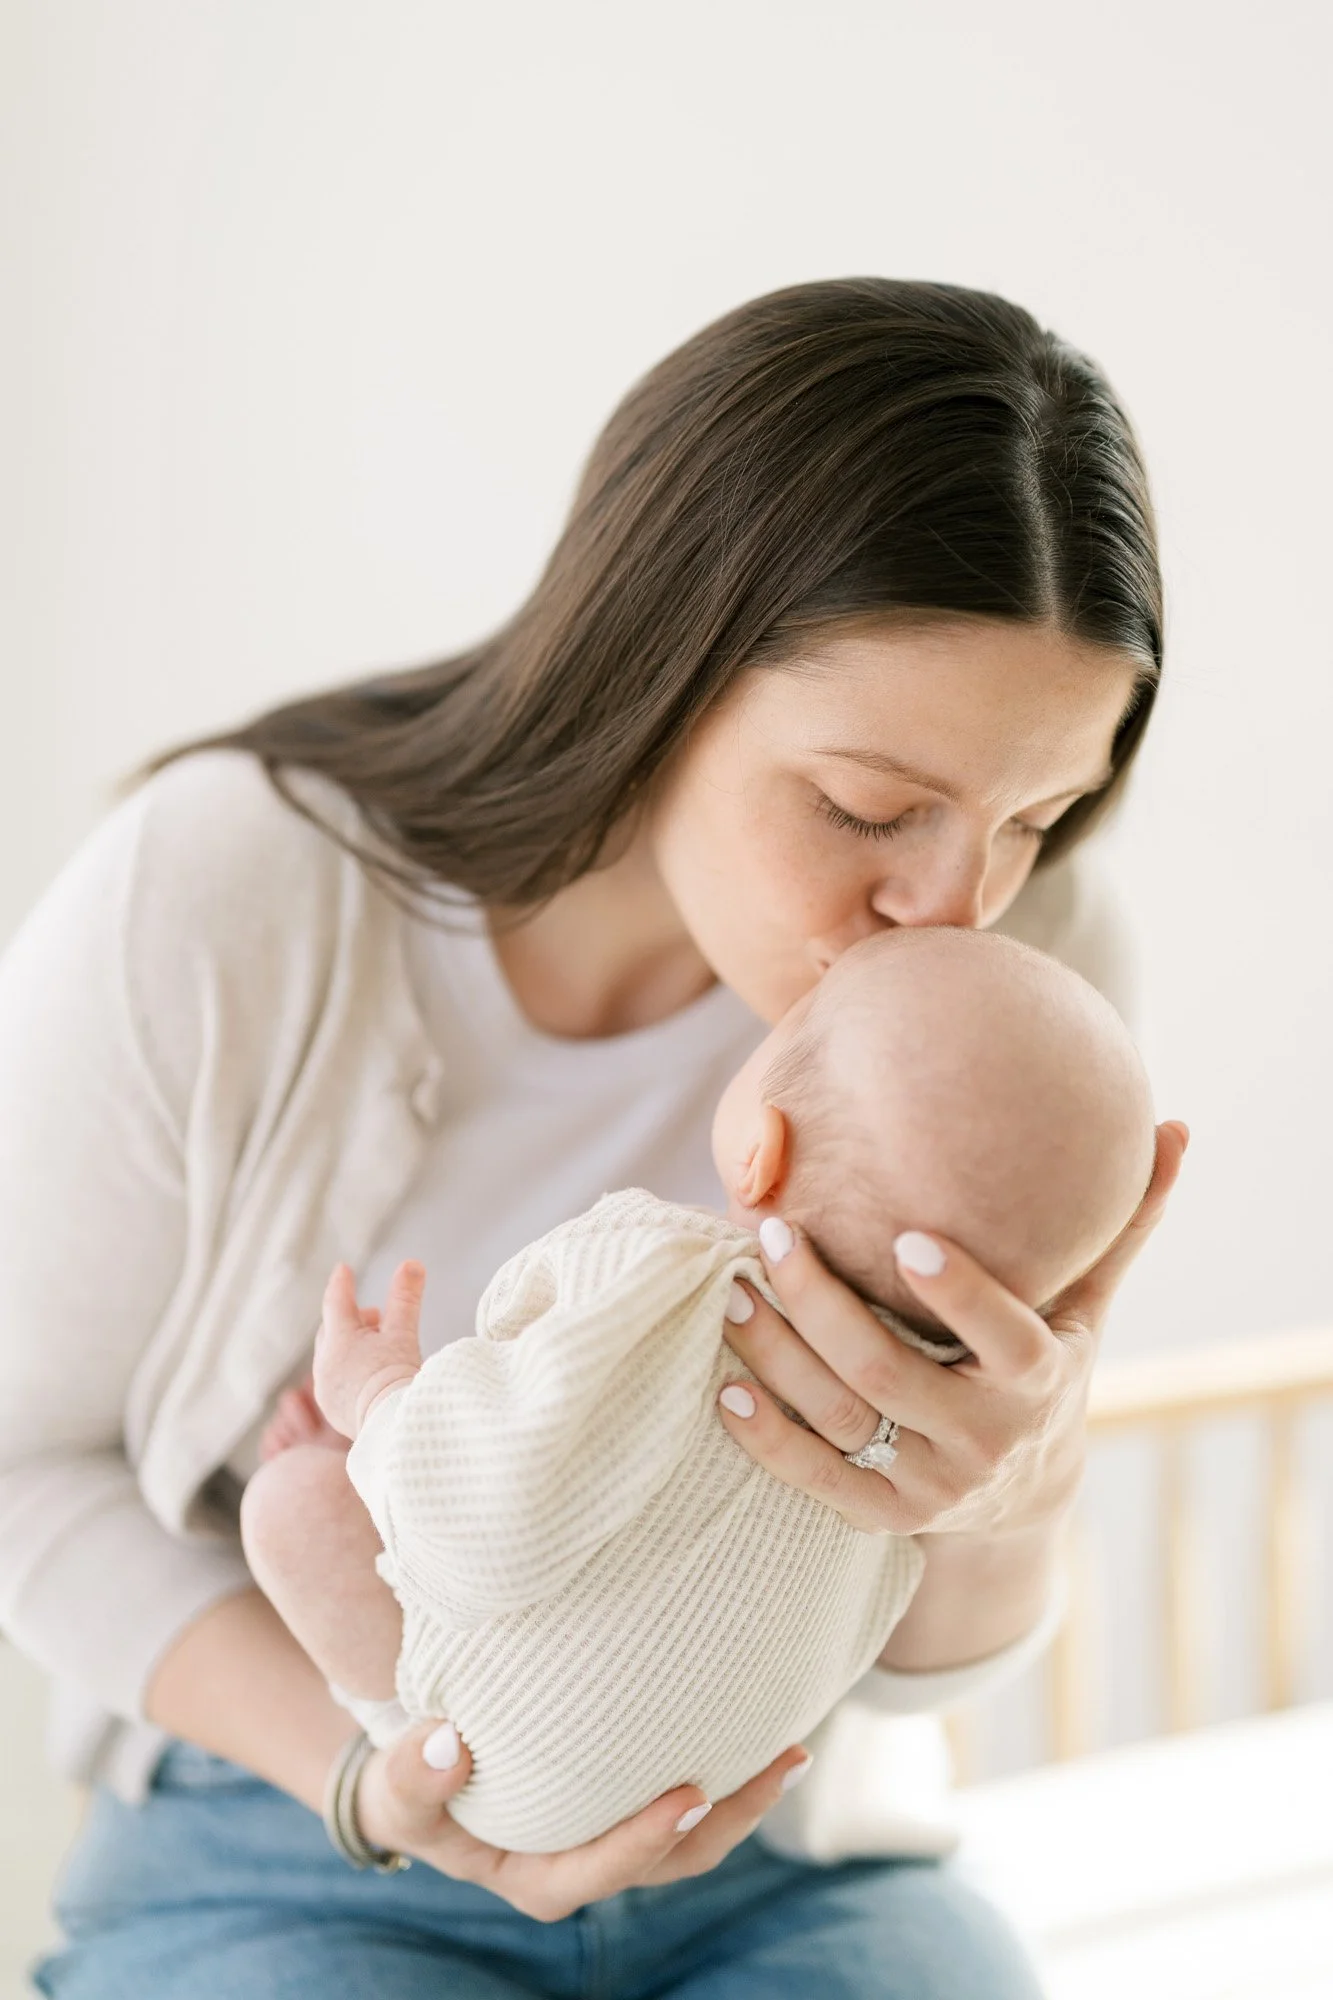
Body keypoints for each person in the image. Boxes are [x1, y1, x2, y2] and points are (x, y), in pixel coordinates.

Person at [0, 277, 1187, 1998]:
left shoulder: (1031, 971)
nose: (950, 902)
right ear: (659, 669)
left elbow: (916, 1676)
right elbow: (22, 1470)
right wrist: (389, 1779)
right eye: (866, 805)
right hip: (297, 1831)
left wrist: (1004, 1489)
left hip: (779, 1843)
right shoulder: (232, 893)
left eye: (1032, 815)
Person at [241, 925, 1157, 1856]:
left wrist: (384, 1403)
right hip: (694, 1786)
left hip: (489, 1764)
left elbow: (478, 1527)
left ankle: (392, 1724)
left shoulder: (650, 1269)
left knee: (289, 1503)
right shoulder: (933, 1428)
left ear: (760, 1147)